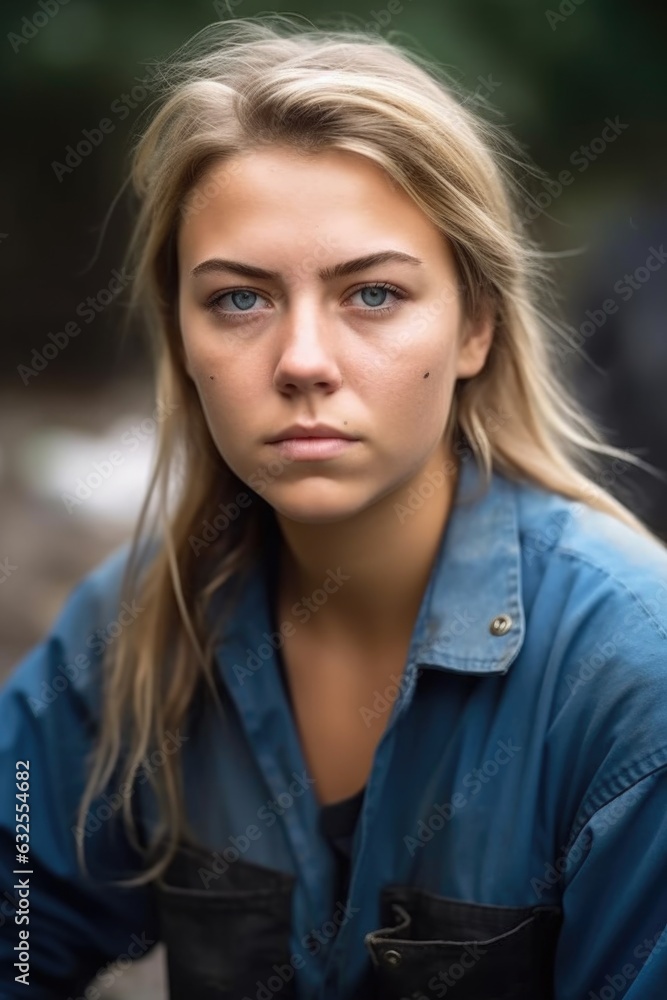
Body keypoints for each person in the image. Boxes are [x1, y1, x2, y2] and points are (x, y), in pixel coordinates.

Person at [1, 13, 666, 1000]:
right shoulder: (140, 624)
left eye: (372, 295)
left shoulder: (630, 675)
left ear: (475, 323)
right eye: (239, 298)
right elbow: (20, 929)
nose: (302, 361)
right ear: (180, 332)